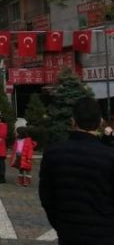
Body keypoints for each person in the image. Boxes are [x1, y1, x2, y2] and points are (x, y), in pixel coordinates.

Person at [39, 97, 114, 244]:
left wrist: (61, 225)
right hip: (105, 234)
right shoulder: (109, 156)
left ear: (73, 121)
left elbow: (46, 197)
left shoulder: (53, 153)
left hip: (69, 233)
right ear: (100, 122)